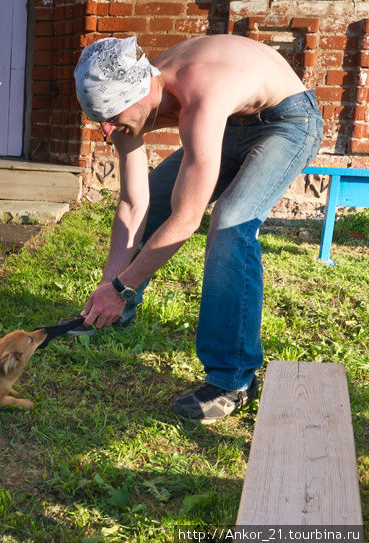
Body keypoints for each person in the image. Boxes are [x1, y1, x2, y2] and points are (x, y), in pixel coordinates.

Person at [74, 35, 322, 424]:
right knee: (156, 196)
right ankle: (114, 314)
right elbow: (134, 203)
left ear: (140, 94)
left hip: (286, 120)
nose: (107, 132)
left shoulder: (199, 94)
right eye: (98, 121)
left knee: (230, 223)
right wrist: (111, 287)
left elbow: (187, 219)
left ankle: (232, 381)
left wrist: (122, 288)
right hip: (231, 120)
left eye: (112, 118)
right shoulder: (130, 95)